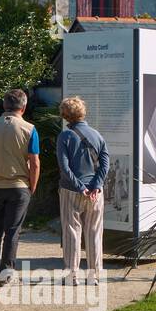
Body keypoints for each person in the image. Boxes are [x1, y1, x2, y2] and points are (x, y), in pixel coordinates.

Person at [0, 89, 40, 286]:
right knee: (12, 231)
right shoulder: (29, 129)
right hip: (18, 185)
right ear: (24, 106)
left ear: (4, 105)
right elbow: (35, 161)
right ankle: (7, 273)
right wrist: (33, 186)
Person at [56, 95, 110, 286]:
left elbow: (64, 166)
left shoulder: (65, 136)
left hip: (71, 190)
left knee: (72, 232)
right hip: (96, 193)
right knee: (94, 232)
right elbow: (105, 164)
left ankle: (72, 275)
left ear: (65, 116)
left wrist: (80, 187)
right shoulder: (97, 135)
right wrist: (95, 186)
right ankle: (94, 276)